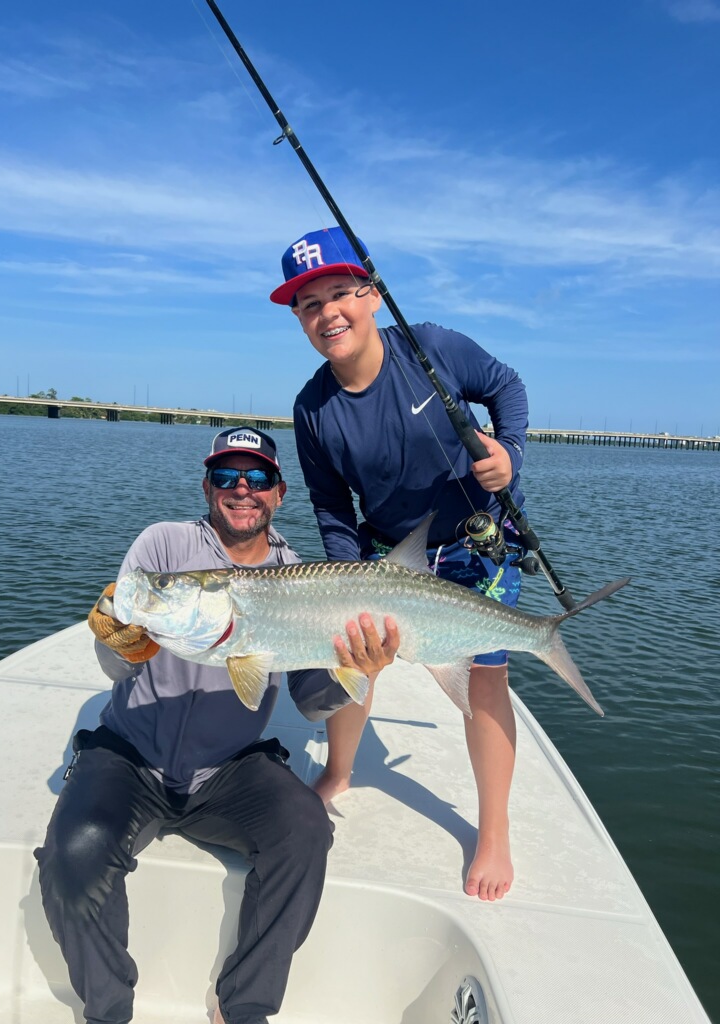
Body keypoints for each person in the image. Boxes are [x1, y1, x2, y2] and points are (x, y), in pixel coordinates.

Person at [35, 425, 399, 1024]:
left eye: (257, 478)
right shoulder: (163, 548)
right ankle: (107, 1009)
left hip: (229, 767)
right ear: (207, 486)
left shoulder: (301, 579)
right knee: (71, 855)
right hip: (129, 755)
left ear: (278, 493)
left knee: (307, 833)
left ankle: (245, 1007)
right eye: (227, 476)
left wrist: (359, 671)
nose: (242, 490)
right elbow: (112, 660)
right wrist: (125, 641)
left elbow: (311, 700)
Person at [270, 227, 529, 902]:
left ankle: (494, 830)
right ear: (298, 321)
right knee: (354, 658)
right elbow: (331, 508)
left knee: (485, 680)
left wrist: (512, 456)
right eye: (308, 305)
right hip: (387, 550)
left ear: (372, 296)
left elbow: (507, 385)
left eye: (339, 294)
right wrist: (349, 588)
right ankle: (341, 771)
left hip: (477, 543)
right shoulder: (311, 408)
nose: (328, 313)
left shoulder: (431, 348)